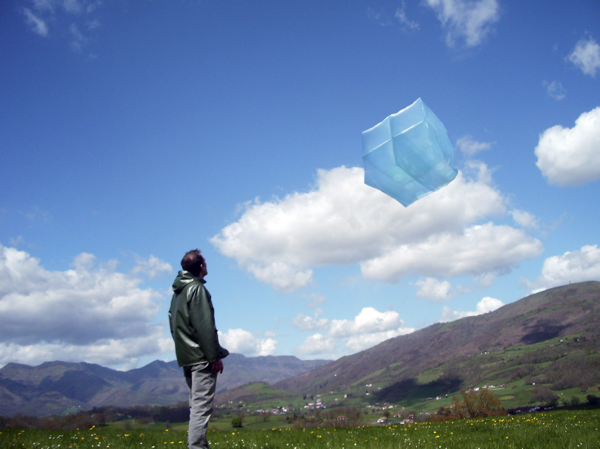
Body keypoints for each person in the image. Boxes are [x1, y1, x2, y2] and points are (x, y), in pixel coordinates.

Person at [169, 249, 229, 449]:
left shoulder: (177, 293)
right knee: (201, 408)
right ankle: (196, 447)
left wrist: (184, 349)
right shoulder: (197, 289)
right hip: (201, 358)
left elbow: (173, 325)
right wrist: (214, 357)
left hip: (186, 357)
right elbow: (204, 327)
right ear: (201, 266)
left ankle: (199, 445)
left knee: (195, 406)